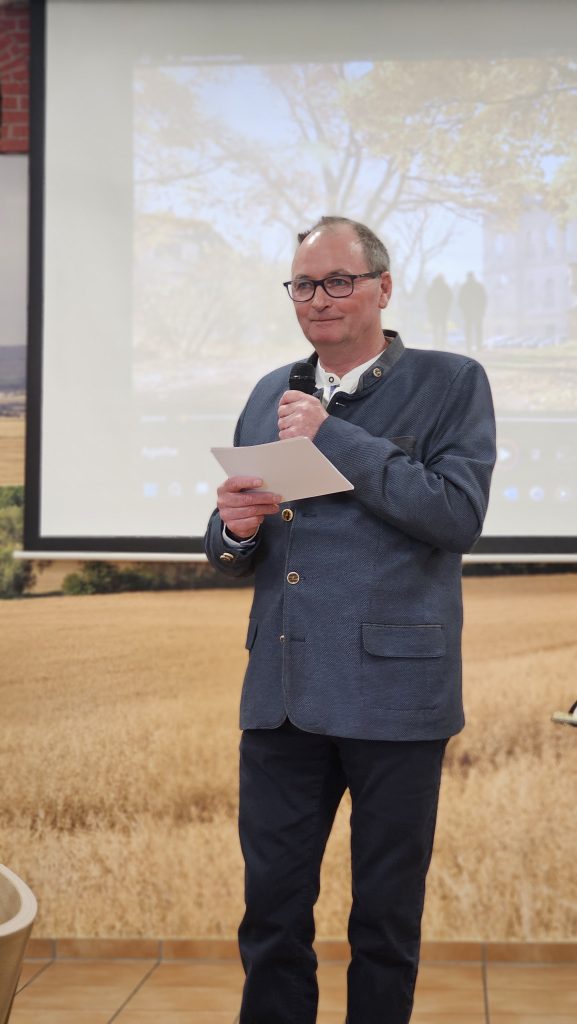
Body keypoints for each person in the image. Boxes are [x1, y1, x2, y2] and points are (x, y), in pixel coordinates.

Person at [204, 216, 496, 1024]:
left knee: (384, 923)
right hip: (281, 695)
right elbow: (238, 551)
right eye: (303, 284)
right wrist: (235, 527)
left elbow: (455, 516)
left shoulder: (451, 380)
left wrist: (337, 438)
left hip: (395, 697)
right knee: (270, 918)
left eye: (338, 281)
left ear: (383, 288)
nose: (318, 299)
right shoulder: (270, 389)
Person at [458, 271, 488, 353]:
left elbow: (461, 300)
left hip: (468, 312)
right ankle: (478, 346)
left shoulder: (464, 287)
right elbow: (483, 299)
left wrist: (463, 310)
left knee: (469, 330)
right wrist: (482, 310)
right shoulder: (478, 286)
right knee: (478, 330)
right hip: (477, 312)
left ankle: (469, 347)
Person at [426, 273, 453, 349]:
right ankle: (442, 343)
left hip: (435, 311)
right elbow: (449, 298)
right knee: (442, 328)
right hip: (442, 311)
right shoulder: (445, 287)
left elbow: (428, 299)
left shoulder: (433, 287)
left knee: (436, 328)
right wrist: (446, 307)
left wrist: (432, 307)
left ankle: (436, 343)